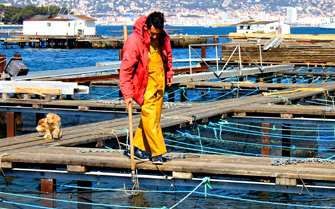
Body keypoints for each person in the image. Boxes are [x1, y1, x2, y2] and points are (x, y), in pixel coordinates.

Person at [119, 11, 174, 165]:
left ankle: (136, 147)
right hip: (146, 84)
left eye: (157, 33)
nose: (154, 36)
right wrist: (127, 94)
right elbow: (125, 70)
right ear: (146, 26)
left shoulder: (163, 35)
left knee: (154, 116)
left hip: (160, 80)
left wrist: (169, 72)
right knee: (150, 118)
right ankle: (157, 152)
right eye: (152, 33)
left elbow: (167, 53)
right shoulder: (134, 41)